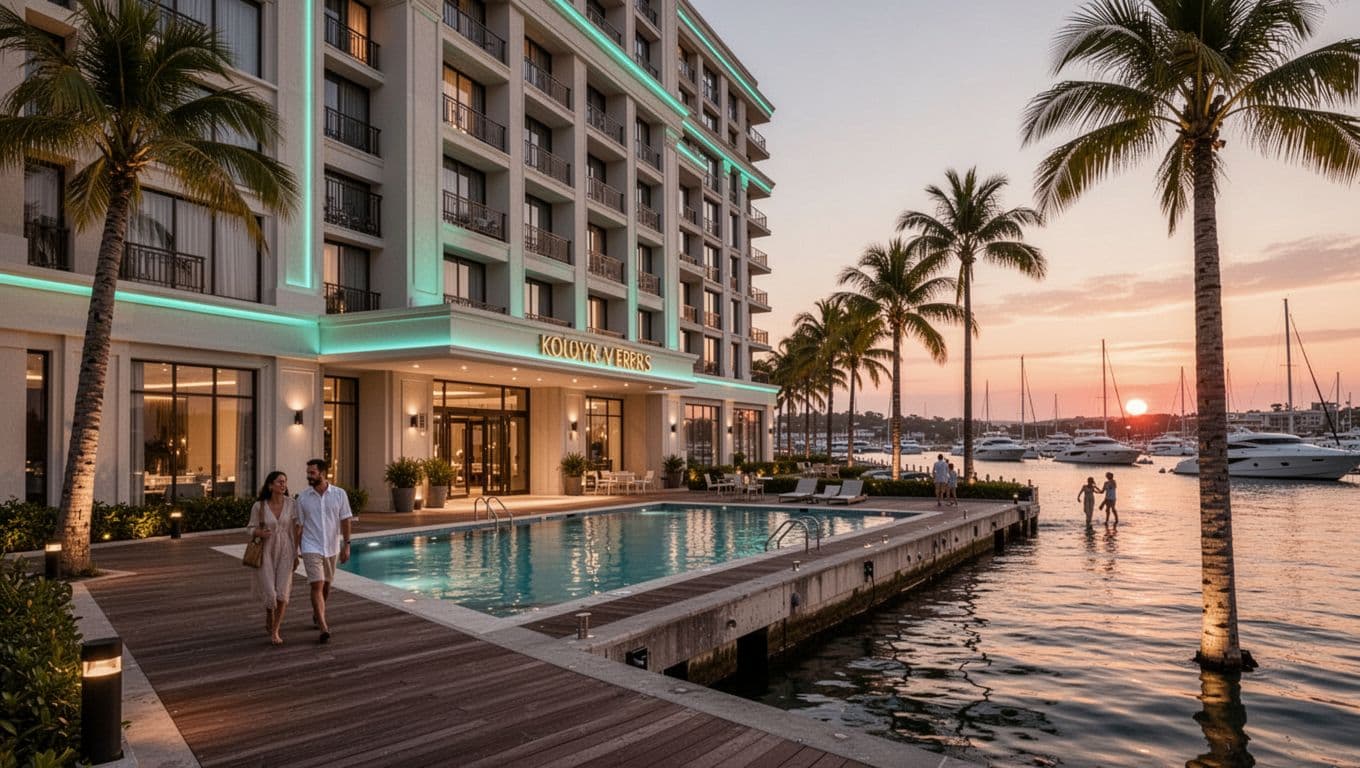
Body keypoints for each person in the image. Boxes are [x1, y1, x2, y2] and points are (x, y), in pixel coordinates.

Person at [295, 458, 352, 644]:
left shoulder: (339, 494)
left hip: (332, 546)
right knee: (317, 585)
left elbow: (345, 520)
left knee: (326, 586)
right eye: (308, 473)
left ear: (323, 473)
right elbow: (299, 526)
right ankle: (323, 626)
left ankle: (317, 612)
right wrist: (296, 548)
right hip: (311, 545)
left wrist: (347, 545)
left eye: (312, 473)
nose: (308, 476)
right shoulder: (303, 498)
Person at [247, 471, 299, 646]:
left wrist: (297, 553)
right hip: (266, 549)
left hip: (286, 549)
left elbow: (297, 528)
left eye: (285, 482)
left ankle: (276, 630)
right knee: (270, 590)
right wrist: (259, 532)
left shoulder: (292, 504)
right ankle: (269, 611)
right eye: (279, 482)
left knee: (282, 591)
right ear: (270, 485)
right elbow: (249, 528)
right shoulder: (259, 506)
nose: (283, 485)